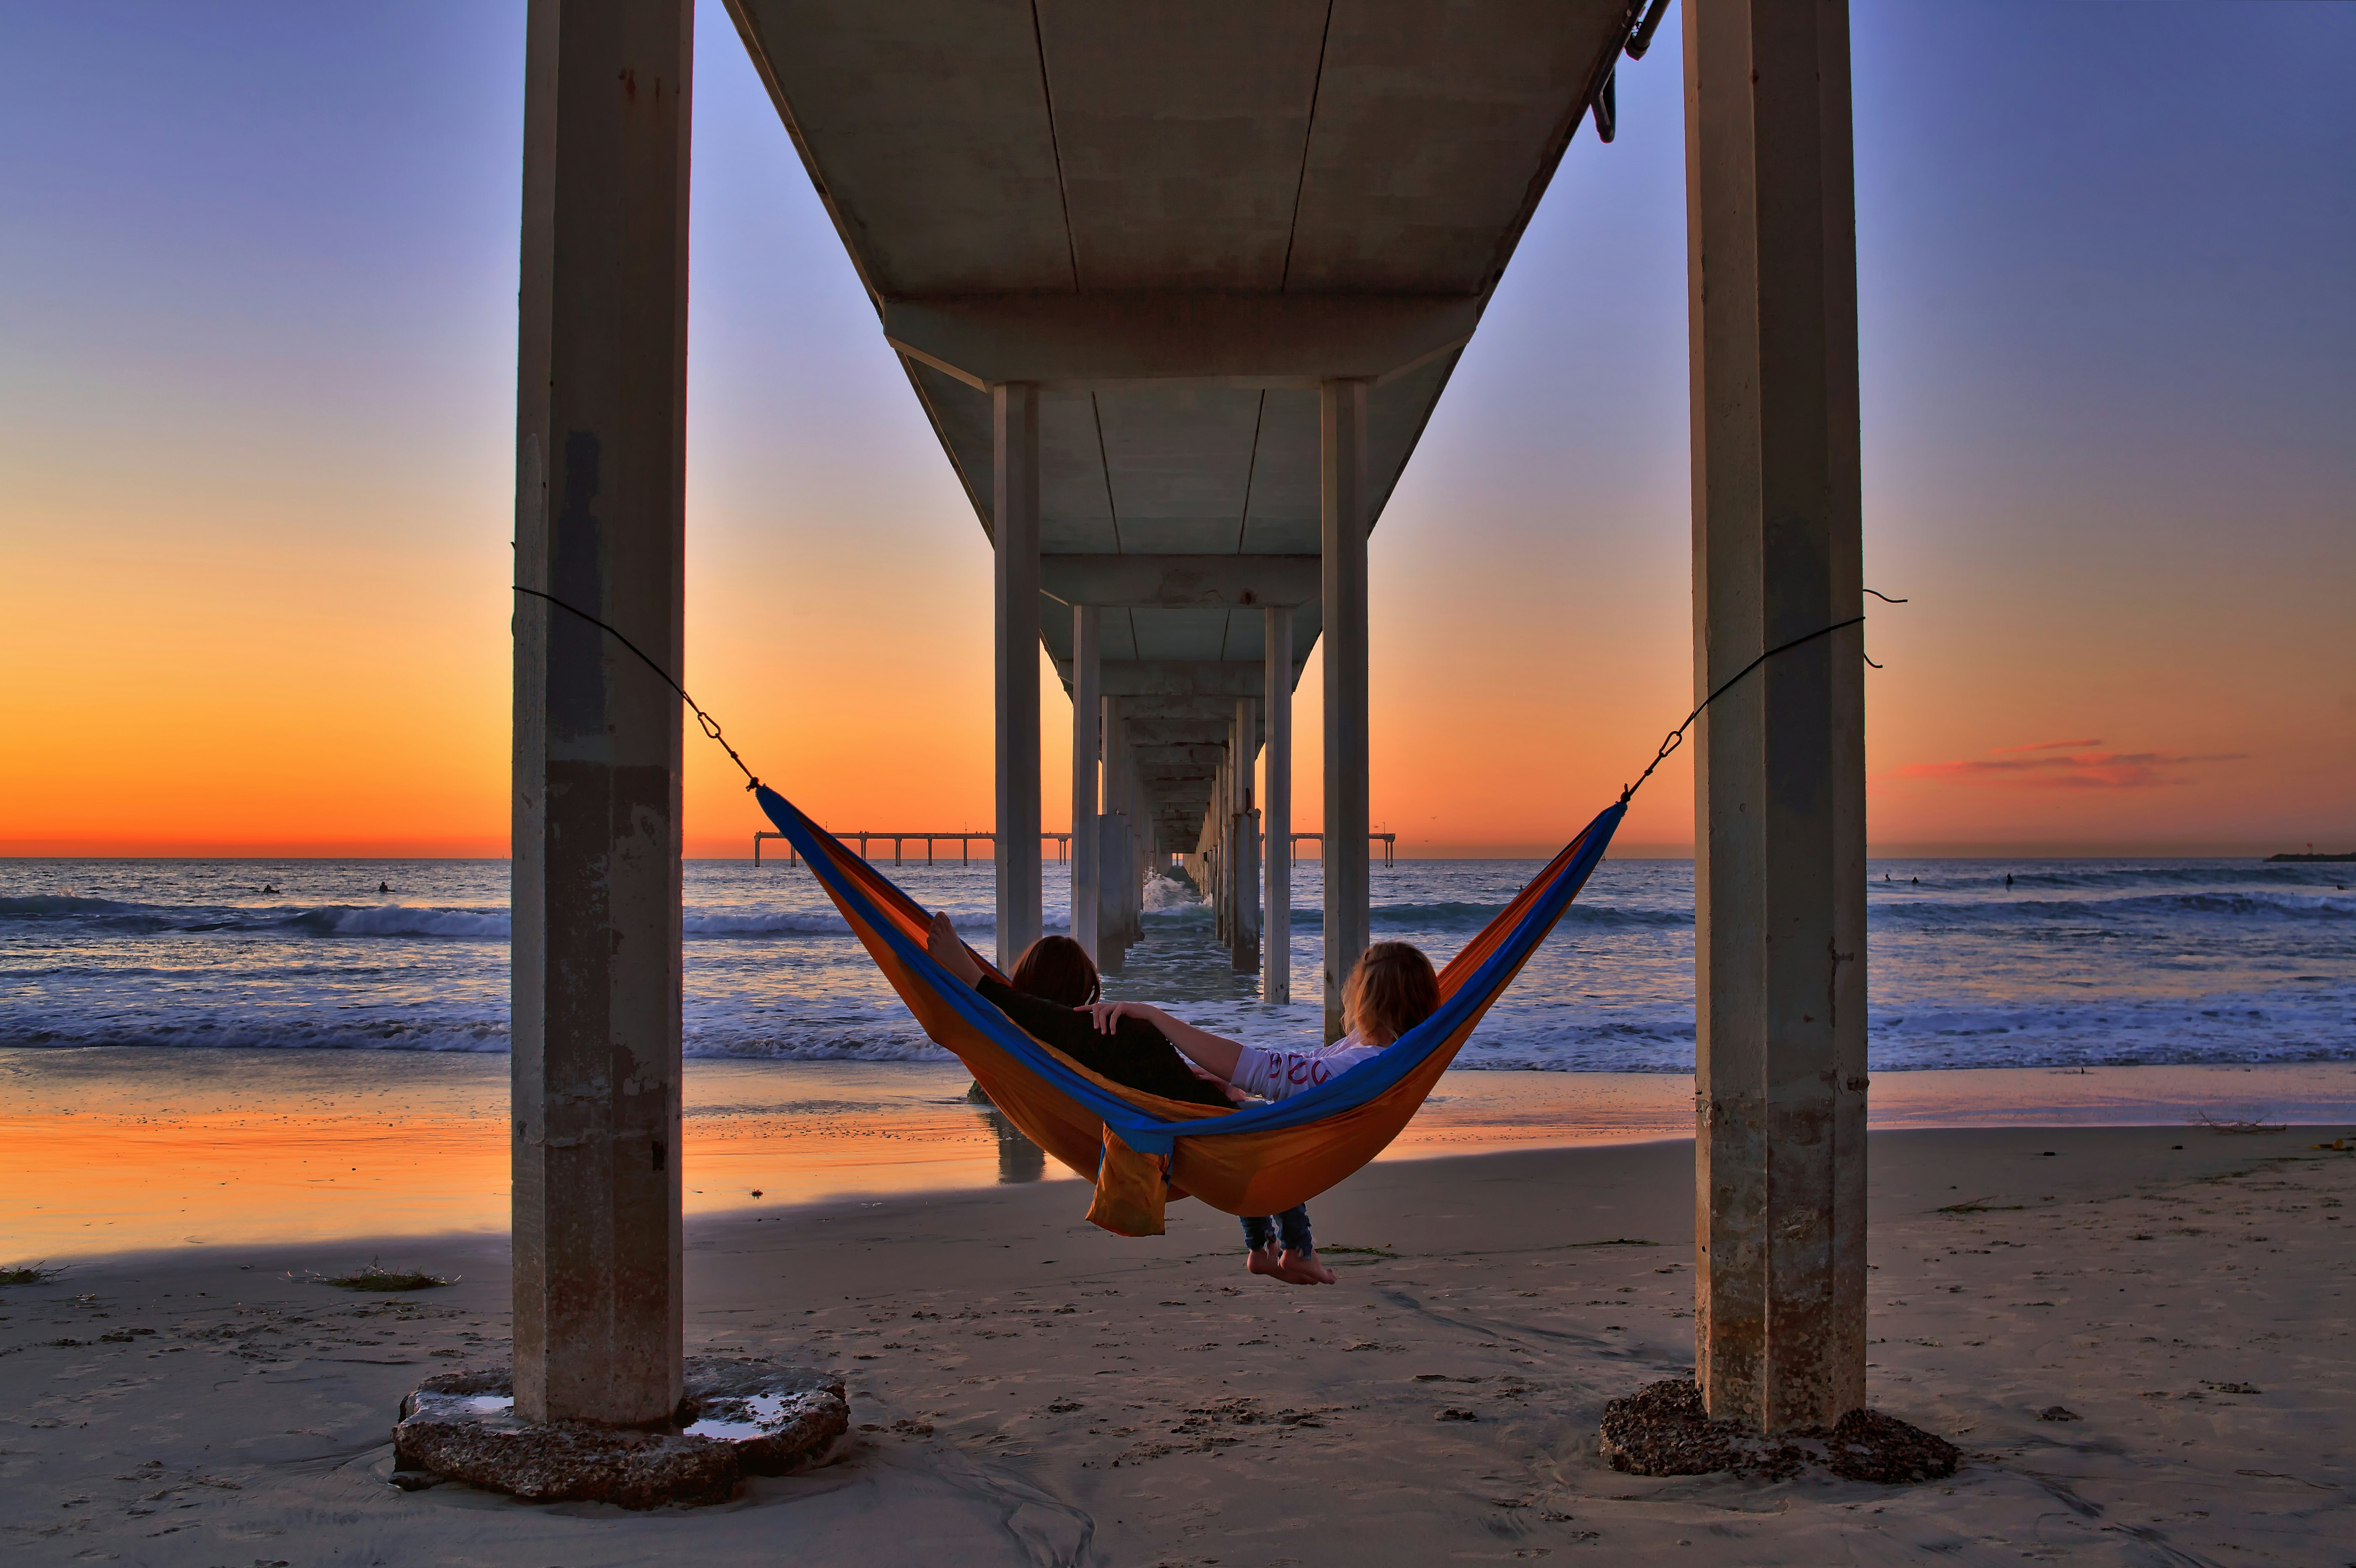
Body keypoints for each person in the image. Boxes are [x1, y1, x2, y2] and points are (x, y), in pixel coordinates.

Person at [1084, 941, 1442, 1288]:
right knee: (1236, 1111)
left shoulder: (1368, 1062)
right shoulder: (1364, 1048)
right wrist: (1227, 1078)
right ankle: (1266, 1247)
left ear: (1366, 1000)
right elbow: (1305, 1063)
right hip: (1286, 1133)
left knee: (1243, 1123)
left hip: (1292, 1141)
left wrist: (1155, 1017)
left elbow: (1274, 1072)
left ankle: (1292, 1248)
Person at [924, 916, 1230, 1108]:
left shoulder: (1054, 1034)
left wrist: (979, 983)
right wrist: (977, 981)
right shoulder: (1071, 1033)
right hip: (1209, 1118)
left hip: (1209, 1115)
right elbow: (1051, 1018)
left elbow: (1042, 1014)